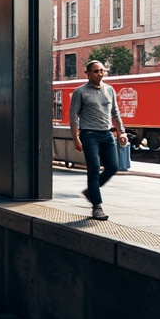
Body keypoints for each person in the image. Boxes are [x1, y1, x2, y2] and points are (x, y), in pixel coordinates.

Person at [70, 60, 127, 221]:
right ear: (87, 73)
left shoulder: (109, 90)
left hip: (107, 134)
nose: (100, 74)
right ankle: (97, 206)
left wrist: (121, 132)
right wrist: (76, 138)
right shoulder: (80, 92)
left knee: (113, 167)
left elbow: (115, 113)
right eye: (96, 71)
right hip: (89, 135)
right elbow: (73, 117)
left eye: (102, 70)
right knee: (94, 169)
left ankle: (90, 191)